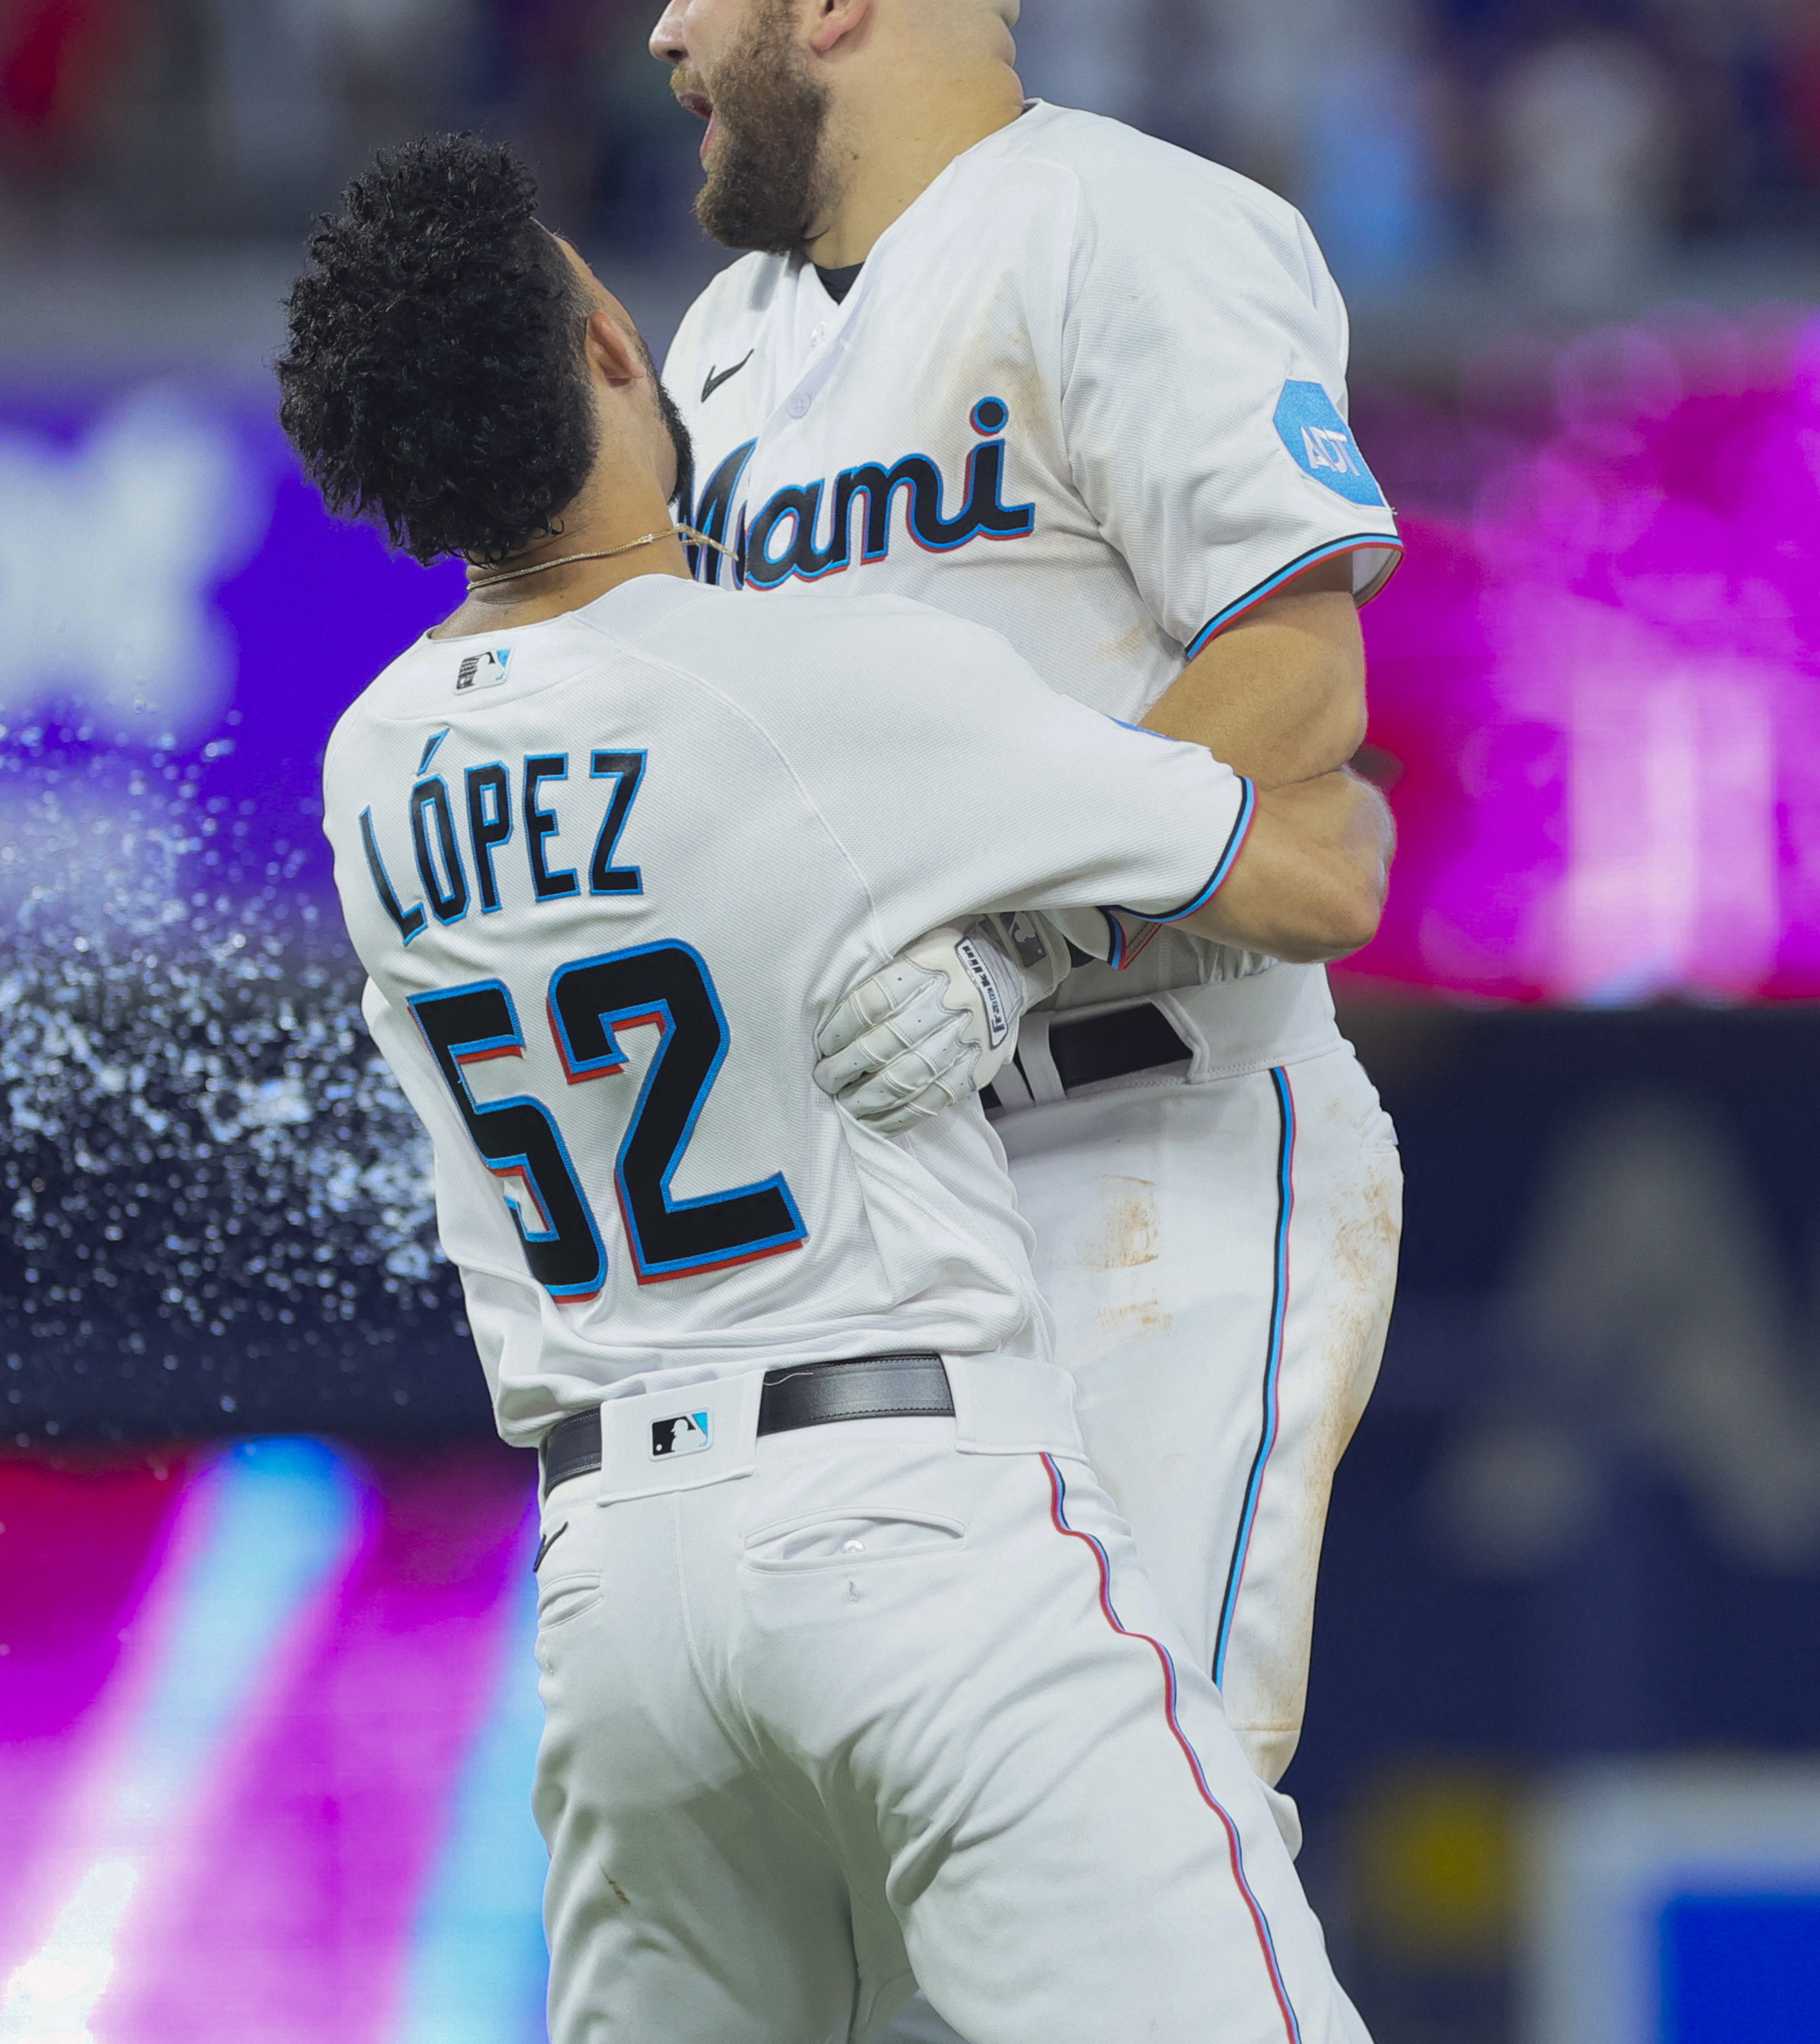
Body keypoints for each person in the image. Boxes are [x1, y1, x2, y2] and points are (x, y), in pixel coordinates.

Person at [280, 133, 1389, 2043]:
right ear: (618, 349)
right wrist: (1015, 938)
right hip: (904, 1512)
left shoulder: (366, 769)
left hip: (610, 1587)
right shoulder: (813, 680)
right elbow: (1327, 861)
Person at [649, 0, 1405, 1888]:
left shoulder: (1122, 221)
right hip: (862, 1196)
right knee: (873, 1897)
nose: (661, 26)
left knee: (1119, 1868)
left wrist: (1013, 934)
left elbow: (1295, 676)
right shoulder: (725, 340)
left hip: (1138, 1153)